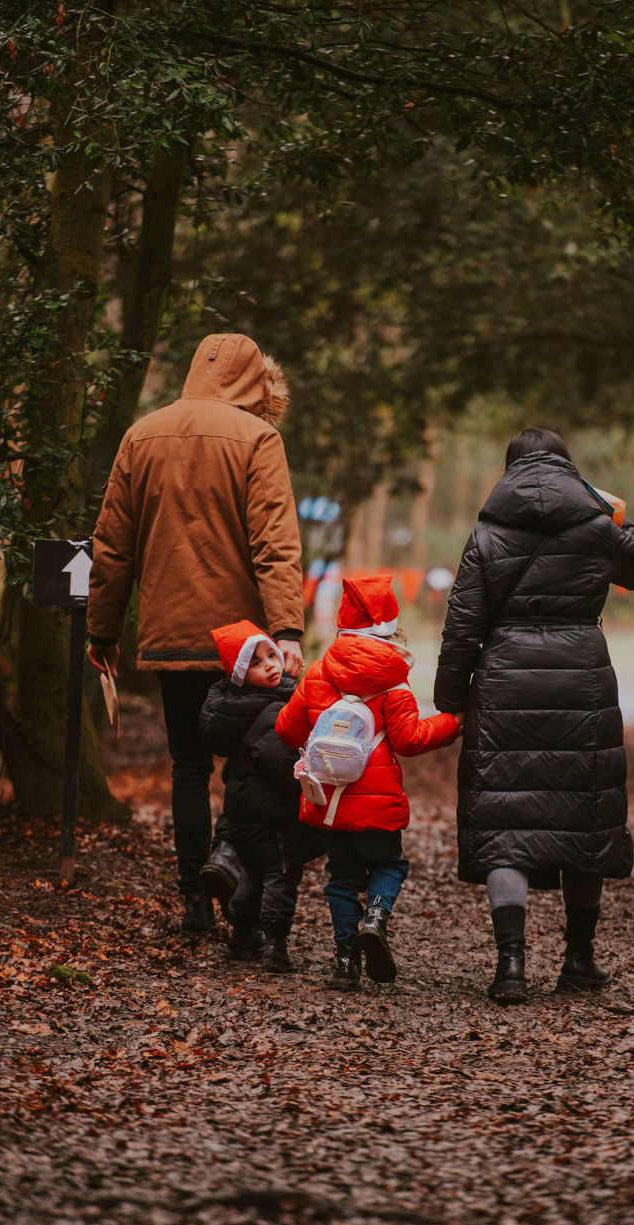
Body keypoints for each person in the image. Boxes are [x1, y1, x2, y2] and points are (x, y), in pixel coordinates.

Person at [433, 428, 634, 1005]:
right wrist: (617, 518)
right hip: (580, 679)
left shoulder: (486, 533)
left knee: (505, 825)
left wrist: (450, 697)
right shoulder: (595, 525)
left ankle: (510, 965)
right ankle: (579, 960)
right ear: (569, 470)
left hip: (504, 680)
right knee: (583, 820)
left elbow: (463, 623)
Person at [87, 333, 305, 936]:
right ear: (252, 380)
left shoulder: (142, 435)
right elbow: (275, 545)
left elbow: (112, 545)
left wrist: (102, 630)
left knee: (187, 765)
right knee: (248, 766)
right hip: (243, 647)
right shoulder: (259, 439)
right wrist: (286, 628)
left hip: (171, 635)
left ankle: (193, 903)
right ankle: (241, 891)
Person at [274, 576, 461, 991]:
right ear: (389, 630)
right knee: (389, 864)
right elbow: (409, 740)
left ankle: (345, 961)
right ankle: (375, 917)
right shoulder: (392, 682)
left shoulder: (320, 671)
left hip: (328, 804)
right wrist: (453, 723)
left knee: (341, 878)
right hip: (377, 807)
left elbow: (285, 731)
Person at [198, 620, 324, 972]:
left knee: (251, 874)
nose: (270, 664)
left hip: (242, 812)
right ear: (240, 674)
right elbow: (281, 762)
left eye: (271, 654)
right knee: (281, 876)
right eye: (256, 663)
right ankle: (276, 944)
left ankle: (241, 936)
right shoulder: (272, 710)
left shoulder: (238, 707)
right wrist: (309, 784)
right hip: (275, 812)